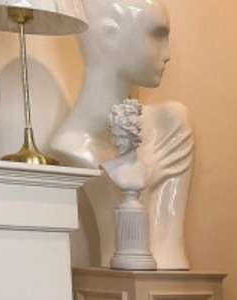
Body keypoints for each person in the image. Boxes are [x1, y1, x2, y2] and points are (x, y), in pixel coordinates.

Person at [51, 0, 193, 270]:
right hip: (120, 275)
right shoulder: (71, 146)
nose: (167, 54)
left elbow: (169, 257)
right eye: (157, 35)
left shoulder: (167, 125)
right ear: (109, 35)